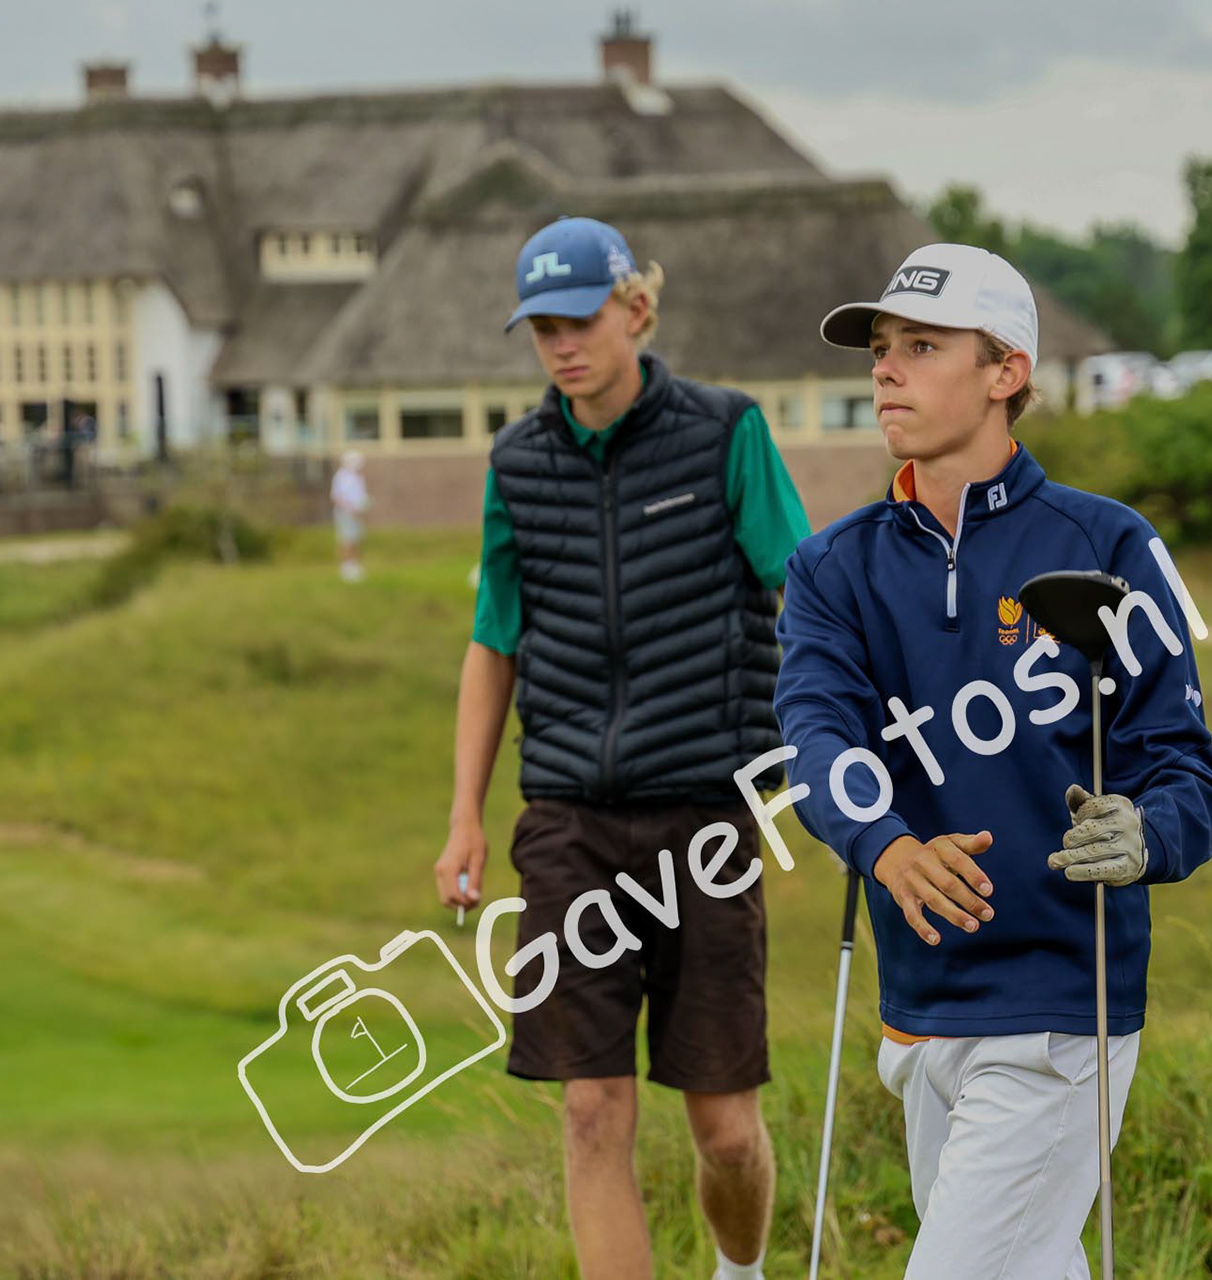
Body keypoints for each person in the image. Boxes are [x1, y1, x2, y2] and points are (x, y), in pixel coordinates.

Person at [775, 244, 1212, 1277]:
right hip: (920, 1008)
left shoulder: (1109, 547)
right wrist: (886, 845)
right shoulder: (832, 567)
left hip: (1062, 1008)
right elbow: (816, 738)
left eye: (921, 347)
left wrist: (1147, 832)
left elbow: (1189, 777)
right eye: (880, 348)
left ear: (1006, 371)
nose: (885, 369)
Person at [435, 216, 811, 1280]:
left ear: (636, 310)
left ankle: (740, 1271)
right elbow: (493, 642)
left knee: (724, 1131)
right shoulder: (516, 462)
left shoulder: (727, 431)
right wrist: (465, 818)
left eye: (580, 320)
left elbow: (809, 592)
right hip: (569, 823)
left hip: (708, 817)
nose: (561, 344)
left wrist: (839, 744)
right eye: (541, 328)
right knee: (592, 1110)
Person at [331, 450, 370, 582]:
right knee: (347, 539)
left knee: (356, 539)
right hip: (346, 513)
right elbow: (336, 497)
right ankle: (346, 567)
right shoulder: (341, 477)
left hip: (357, 513)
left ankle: (354, 565)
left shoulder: (358, 477)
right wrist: (350, 509)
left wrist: (362, 506)